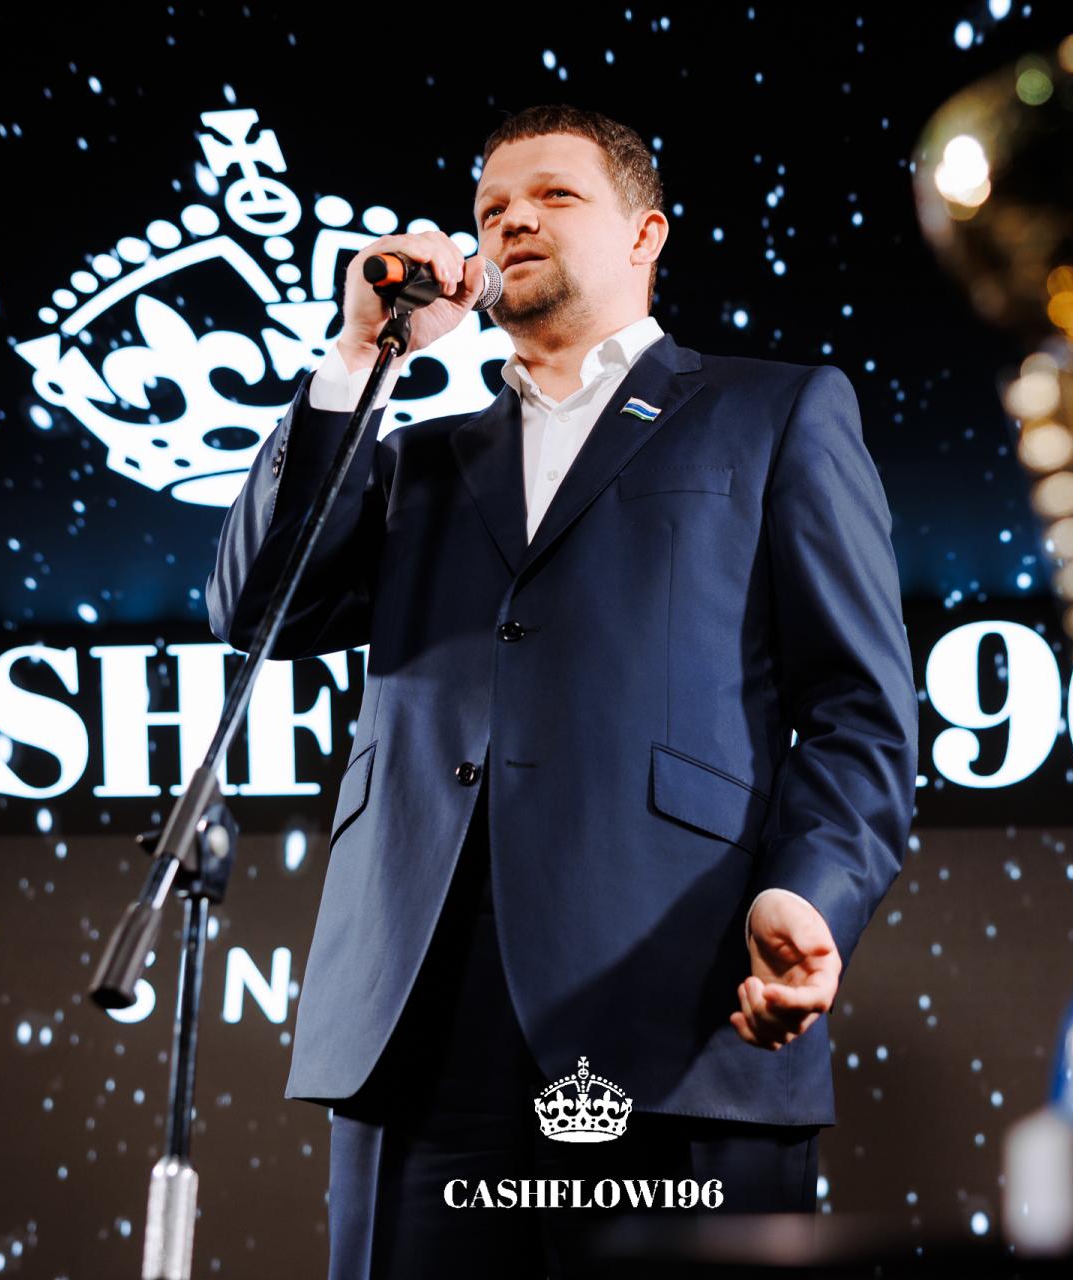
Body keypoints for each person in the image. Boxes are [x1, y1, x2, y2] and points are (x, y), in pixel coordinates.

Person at [207, 104, 917, 1279]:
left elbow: (859, 711)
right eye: (490, 208)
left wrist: (811, 892)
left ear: (646, 234)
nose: (512, 220)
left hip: (683, 994)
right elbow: (253, 608)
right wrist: (355, 359)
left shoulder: (773, 412)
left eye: (554, 195)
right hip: (421, 1020)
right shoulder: (416, 459)